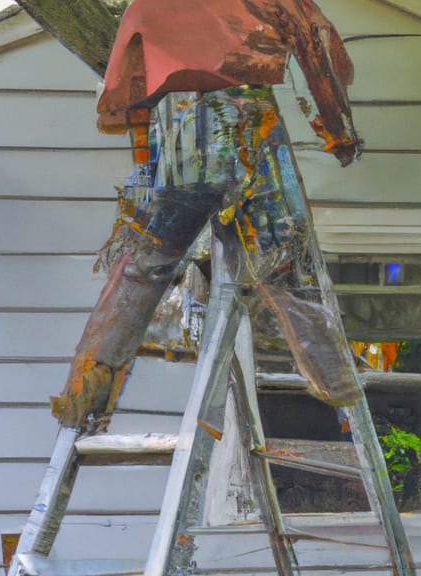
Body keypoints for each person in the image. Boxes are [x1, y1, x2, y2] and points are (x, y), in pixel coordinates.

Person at [50, 0, 364, 431]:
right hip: (244, 123)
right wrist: (339, 133)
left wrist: (146, 165)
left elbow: (123, 93)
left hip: (172, 130)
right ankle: (340, 386)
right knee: (288, 265)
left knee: (143, 269)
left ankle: (85, 395)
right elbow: (318, 52)